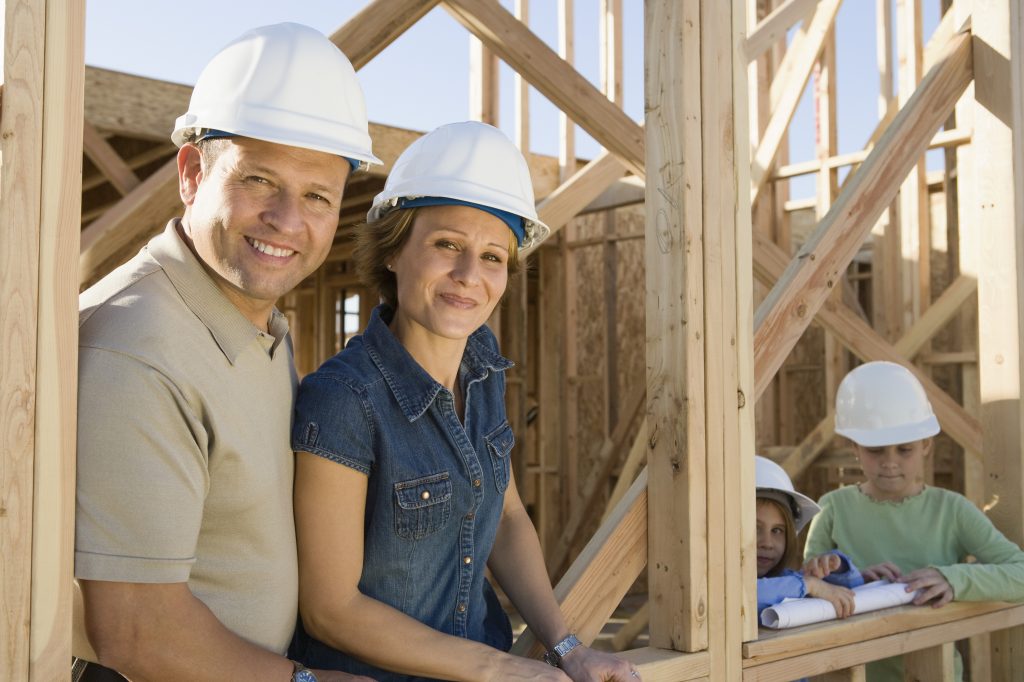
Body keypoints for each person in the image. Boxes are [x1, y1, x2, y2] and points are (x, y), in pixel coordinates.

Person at [74, 23, 379, 682]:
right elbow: (136, 633)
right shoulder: (138, 348)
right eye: (260, 180)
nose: (287, 221)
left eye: (317, 196)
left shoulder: (254, 325)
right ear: (192, 174)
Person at [289, 121, 639, 682]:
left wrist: (567, 647)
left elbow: (506, 516)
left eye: (493, 256)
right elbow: (330, 610)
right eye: (447, 245)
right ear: (394, 250)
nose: (469, 275)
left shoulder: (482, 368)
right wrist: (501, 670)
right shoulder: (343, 399)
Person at [805, 360, 1024, 681]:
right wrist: (852, 579)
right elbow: (806, 590)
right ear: (855, 448)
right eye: (875, 450)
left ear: (926, 445)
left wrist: (953, 579)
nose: (890, 462)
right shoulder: (832, 508)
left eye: (904, 450)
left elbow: (1020, 573)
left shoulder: (952, 510)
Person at [754, 456, 863, 619]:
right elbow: (748, 593)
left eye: (777, 530)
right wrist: (811, 585)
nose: (767, 543)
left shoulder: (785, 579)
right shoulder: (718, 586)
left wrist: (837, 569)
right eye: (754, 528)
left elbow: (852, 590)